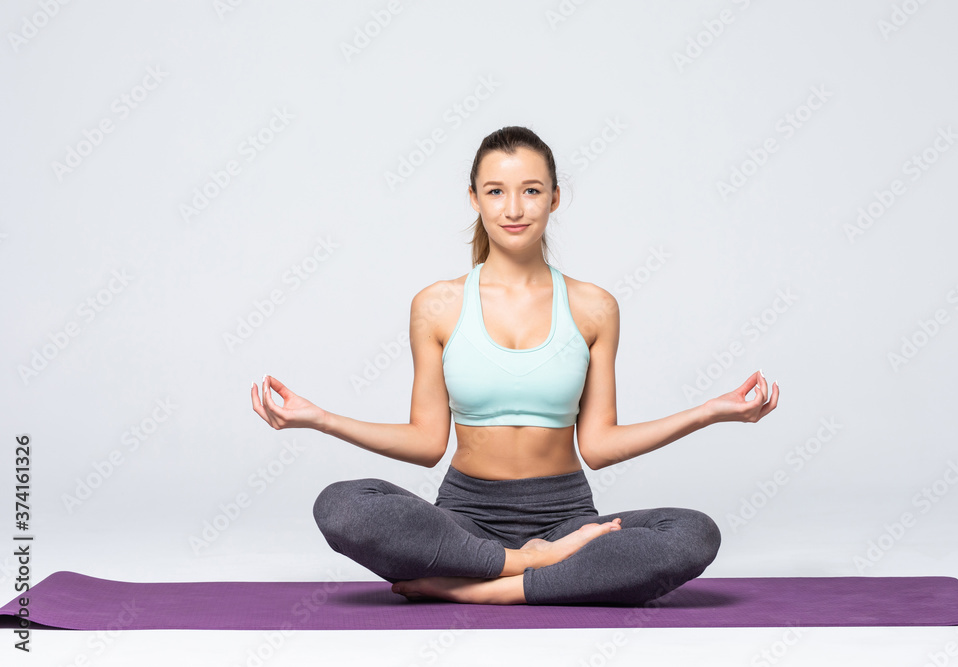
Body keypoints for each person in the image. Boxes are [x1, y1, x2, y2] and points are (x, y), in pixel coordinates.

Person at [250, 125, 778, 606]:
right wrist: (319, 417)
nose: (514, 208)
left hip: (565, 519)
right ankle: (529, 568)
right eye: (496, 191)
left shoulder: (594, 306)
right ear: (475, 199)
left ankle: (484, 590)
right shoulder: (437, 304)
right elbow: (427, 441)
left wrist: (708, 412)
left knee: (692, 533)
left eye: (530, 190)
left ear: (553, 197)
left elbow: (599, 446)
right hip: (462, 519)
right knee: (343, 505)